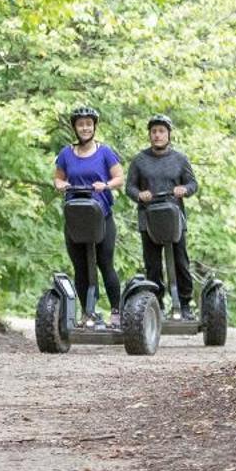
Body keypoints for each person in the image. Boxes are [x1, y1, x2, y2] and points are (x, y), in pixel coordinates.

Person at [52, 105, 124, 328]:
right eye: (81, 124)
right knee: (81, 267)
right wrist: (62, 185)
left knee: (105, 264)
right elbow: (58, 179)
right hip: (76, 218)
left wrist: (106, 185)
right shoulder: (66, 153)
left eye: (88, 124)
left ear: (94, 127)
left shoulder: (105, 152)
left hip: (100, 216)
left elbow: (119, 177)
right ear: (75, 127)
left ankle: (116, 312)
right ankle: (88, 313)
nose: (85, 128)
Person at [128, 113, 200, 318]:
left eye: (161, 131)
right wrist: (140, 194)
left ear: (168, 134)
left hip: (174, 218)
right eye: (154, 132)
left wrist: (184, 189)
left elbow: (193, 184)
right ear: (149, 135)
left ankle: (184, 305)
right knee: (152, 265)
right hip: (149, 219)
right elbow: (130, 188)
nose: (157, 135)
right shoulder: (140, 160)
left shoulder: (179, 159)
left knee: (181, 262)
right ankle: (155, 305)